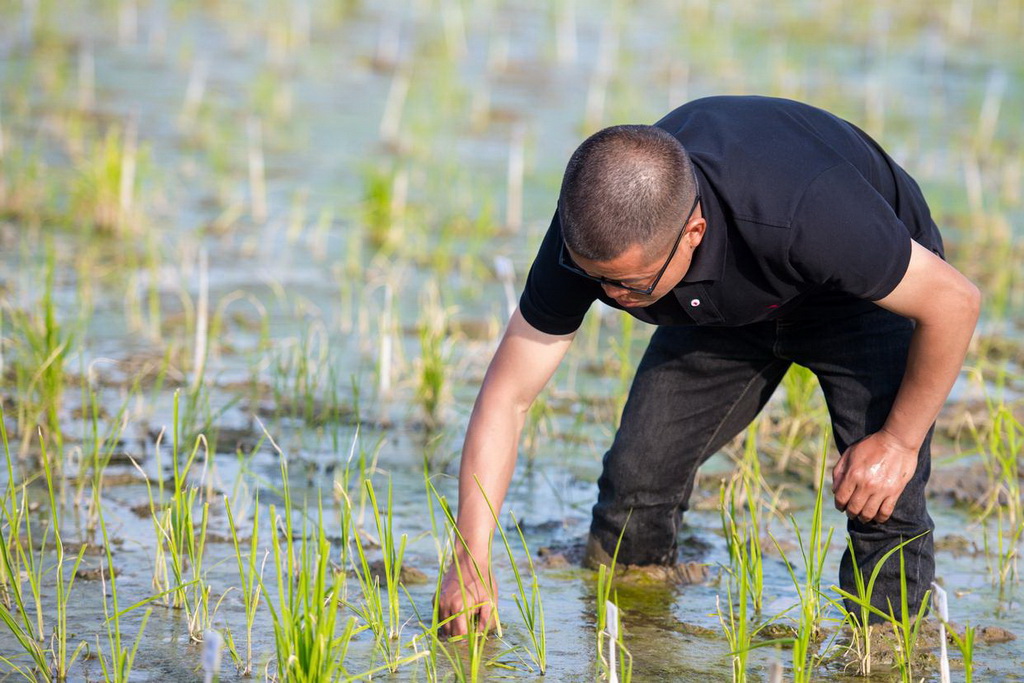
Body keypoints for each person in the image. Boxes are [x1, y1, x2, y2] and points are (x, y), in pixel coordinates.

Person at [436, 95, 980, 636]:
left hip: (860, 298)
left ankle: (883, 656)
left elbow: (955, 303)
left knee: (882, 503)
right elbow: (508, 396)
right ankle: (639, 639)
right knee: (634, 486)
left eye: (630, 286)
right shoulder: (593, 230)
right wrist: (471, 550)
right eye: (597, 280)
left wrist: (901, 443)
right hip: (727, 310)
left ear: (692, 233)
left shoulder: (810, 213)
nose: (609, 296)